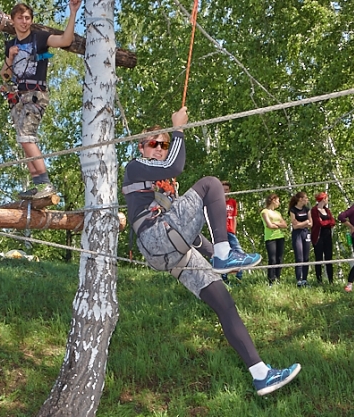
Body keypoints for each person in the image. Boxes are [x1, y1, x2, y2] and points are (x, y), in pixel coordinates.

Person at [122, 107, 300, 396]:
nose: (159, 148)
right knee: (211, 184)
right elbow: (174, 167)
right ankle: (224, 253)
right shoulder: (135, 167)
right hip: (154, 237)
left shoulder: (168, 188)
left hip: (173, 251)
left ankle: (261, 374)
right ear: (142, 147)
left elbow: (188, 234)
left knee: (225, 304)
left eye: (164, 144)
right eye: (153, 143)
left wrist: (216, 256)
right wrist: (178, 129)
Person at [0, 0, 82, 199]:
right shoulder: (11, 45)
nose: (24, 21)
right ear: (13, 20)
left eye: (27, 18)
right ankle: (37, 182)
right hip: (18, 97)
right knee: (22, 140)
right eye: (20, 18)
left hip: (35, 95)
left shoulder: (39, 38)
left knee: (27, 136)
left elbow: (65, 41)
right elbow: (5, 75)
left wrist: (72, 13)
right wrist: (10, 57)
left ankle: (45, 183)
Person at [261, 193, 288, 286]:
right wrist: (277, 224)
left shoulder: (278, 213)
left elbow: (285, 225)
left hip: (280, 237)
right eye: (278, 201)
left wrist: (275, 224)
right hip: (270, 238)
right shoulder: (265, 212)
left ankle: (277, 278)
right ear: (273, 200)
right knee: (272, 259)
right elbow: (269, 225)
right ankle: (271, 280)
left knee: (279, 259)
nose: (279, 203)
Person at [221, 180, 245, 282]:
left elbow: (234, 217)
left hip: (230, 231)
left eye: (227, 190)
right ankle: (224, 277)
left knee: (239, 253)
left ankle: (239, 277)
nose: (225, 192)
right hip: (221, 232)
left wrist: (233, 230)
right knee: (224, 254)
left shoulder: (233, 202)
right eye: (223, 190)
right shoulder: (217, 202)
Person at [310, 192, 336, 284]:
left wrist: (326, 222)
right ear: (323, 199)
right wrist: (327, 222)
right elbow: (318, 223)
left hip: (327, 236)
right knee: (319, 258)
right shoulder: (314, 210)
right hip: (318, 237)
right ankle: (319, 280)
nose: (327, 200)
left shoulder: (327, 210)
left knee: (329, 258)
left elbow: (333, 222)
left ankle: (331, 280)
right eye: (326, 198)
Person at [288, 192, 312, 287]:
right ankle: (299, 280)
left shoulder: (307, 209)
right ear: (300, 199)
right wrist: (305, 222)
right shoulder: (293, 210)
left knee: (306, 258)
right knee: (299, 257)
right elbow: (295, 225)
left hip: (306, 233)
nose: (307, 199)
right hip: (297, 235)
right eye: (305, 198)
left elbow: (311, 223)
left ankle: (305, 280)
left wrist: (303, 224)